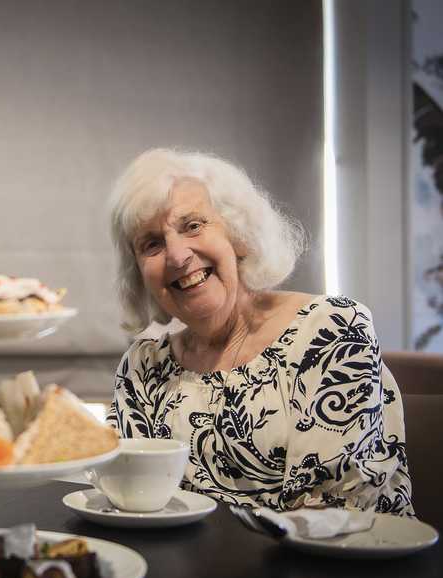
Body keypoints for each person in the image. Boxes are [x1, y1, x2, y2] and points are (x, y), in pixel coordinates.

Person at [105, 148, 413, 515]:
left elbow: (337, 510)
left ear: (239, 235)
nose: (176, 255)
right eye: (151, 244)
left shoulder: (330, 331)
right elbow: (128, 499)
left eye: (192, 226)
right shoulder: (143, 367)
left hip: (336, 566)